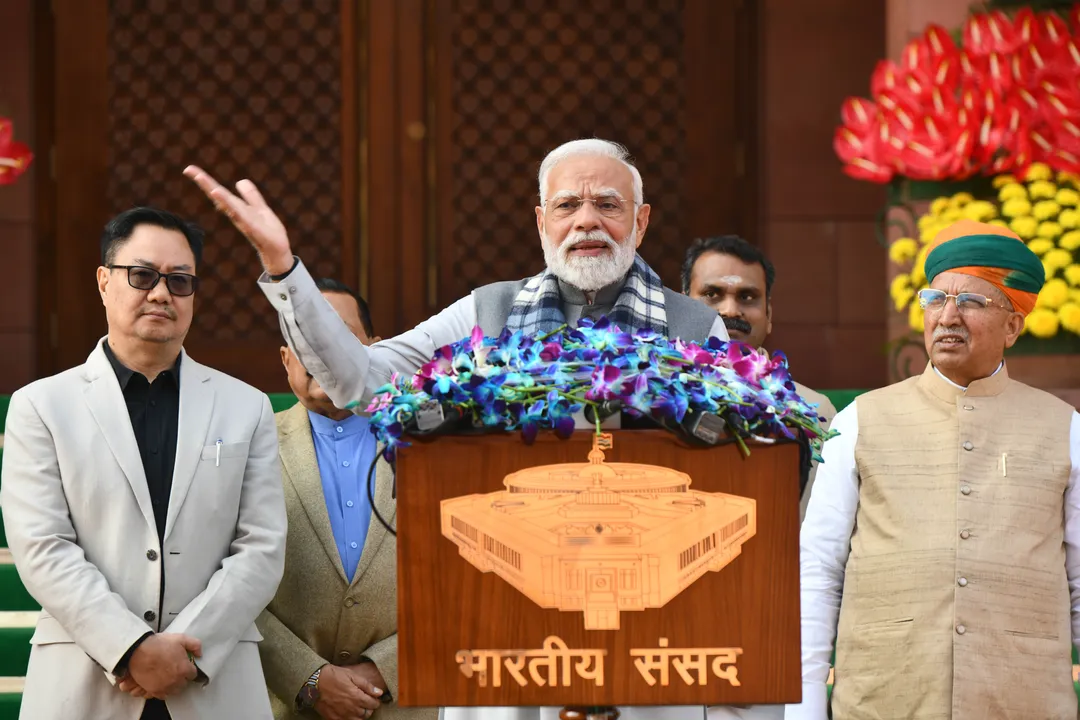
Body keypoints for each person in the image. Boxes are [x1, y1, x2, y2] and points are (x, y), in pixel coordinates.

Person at [185, 139, 729, 720]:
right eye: (568, 205)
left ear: (640, 222)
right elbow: (358, 378)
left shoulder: (695, 329)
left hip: (649, 628)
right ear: (541, 222)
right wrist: (283, 269)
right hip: (507, 630)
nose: (587, 220)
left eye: (608, 205)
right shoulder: (486, 314)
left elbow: (735, 477)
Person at [0, 207, 287, 720]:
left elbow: (261, 548)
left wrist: (183, 653)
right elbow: (42, 547)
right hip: (85, 680)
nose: (161, 293)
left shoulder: (247, 406)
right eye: (142, 275)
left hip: (211, 680)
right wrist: (132, 648)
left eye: (179, 281)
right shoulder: (42, 405)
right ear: (104, 282)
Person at [787, 219, 1080, 719]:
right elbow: (818, 570)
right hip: (884, 701)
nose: (948, 316)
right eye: (935, 299)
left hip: (1022, 702)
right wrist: (805, 708)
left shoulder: (1064, 428)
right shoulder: (860, 420)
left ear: (1013, 325)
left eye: (971, 302)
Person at [258, 278, 433, 720]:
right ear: (286, 358)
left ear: (375, 350)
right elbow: (220, 579)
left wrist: (383, 670)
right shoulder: (248, 445)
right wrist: (308, 677)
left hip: (405, 701)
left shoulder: (435, 443)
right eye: (306, 340)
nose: (323, 355)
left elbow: (468, 576)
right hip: (280, 703)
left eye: (339, 339)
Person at [683, 235, 836, 521]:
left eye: (747, 297)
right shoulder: (659, 396)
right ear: (682, 307)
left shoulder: (814, 410)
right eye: (712, 294)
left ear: (768, 314)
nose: (730, 310)